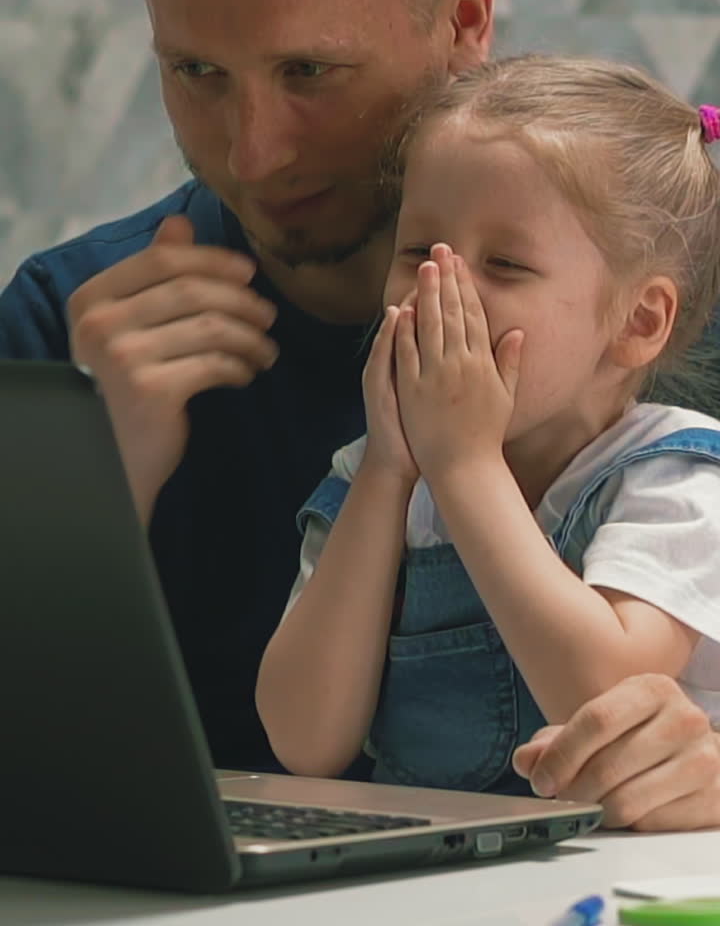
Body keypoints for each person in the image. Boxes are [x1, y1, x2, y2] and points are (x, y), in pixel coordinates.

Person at [0, 0, 718, 829]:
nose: (253, 154)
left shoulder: (671, 292)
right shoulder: (66, 325)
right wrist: (92, 508)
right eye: (196, 72)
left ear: (465, 20)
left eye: (309, 72)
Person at [258, 56, 720, 806]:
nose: (443, 291)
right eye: (417, 254)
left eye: (504, 264)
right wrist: (386, 472)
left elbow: (606, 696)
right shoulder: (373, 479)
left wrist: (468, 468)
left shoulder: (673, 477)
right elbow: (305, 739)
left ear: (638, 322)